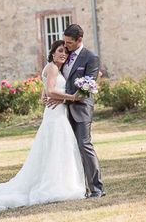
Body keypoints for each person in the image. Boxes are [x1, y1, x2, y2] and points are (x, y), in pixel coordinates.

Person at [0, 41, 86, 212]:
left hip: (56, 113)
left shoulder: (53, 68)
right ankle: (55, 186)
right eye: (60, 51)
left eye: (65, 52)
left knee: (55, 149)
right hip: (55, 115)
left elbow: (46, 91)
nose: (63, 54)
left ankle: (61, 182)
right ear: (53, 53)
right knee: (56, 148)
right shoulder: (53, 68)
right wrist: (73, 98)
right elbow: (50, 91)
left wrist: (53, 96)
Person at [47, 24, 105, 198]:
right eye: (65, 42)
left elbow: (87, 87)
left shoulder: (91, 58)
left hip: (81, 109)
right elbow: (53, 77)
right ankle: (78, 188)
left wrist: (63, 97)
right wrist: (47, 93)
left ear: (79, 40)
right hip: (62, 112)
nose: (66, 46)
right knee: (68, 149)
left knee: (84, 146)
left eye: (70, 42)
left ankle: (96, 188)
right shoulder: (64, 54)